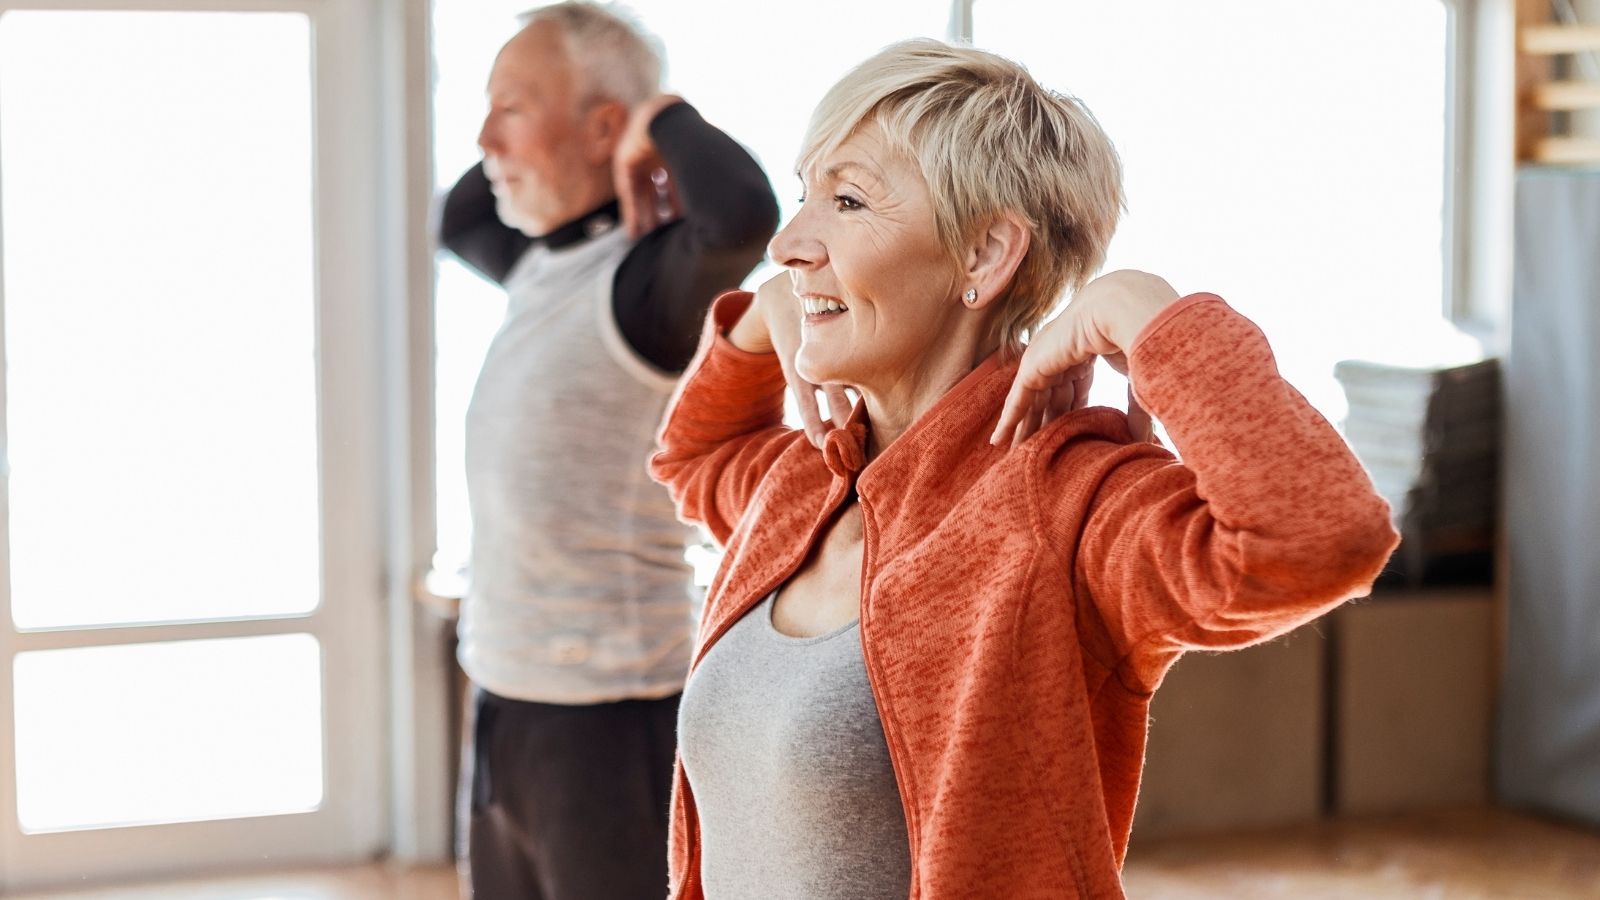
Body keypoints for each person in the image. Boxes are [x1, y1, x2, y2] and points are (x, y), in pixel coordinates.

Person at [650, 38, 1399, 899]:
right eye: (803, 195)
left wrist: (1154, 316)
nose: (787, 242)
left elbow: (1318, 539)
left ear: (983, 257)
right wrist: (759, 325)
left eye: (847, 200)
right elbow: (692, 455)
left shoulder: (1067, 503)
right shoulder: (802, 484)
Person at [437, 3, 777, 898]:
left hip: (612, 720)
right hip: (504, 695)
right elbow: (459, 212)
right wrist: (526, 110)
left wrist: (653, 117)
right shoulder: (533, 264)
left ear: (601, 129)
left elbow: (743, 214)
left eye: (510, 107)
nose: (482, 138)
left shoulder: (643, 284)